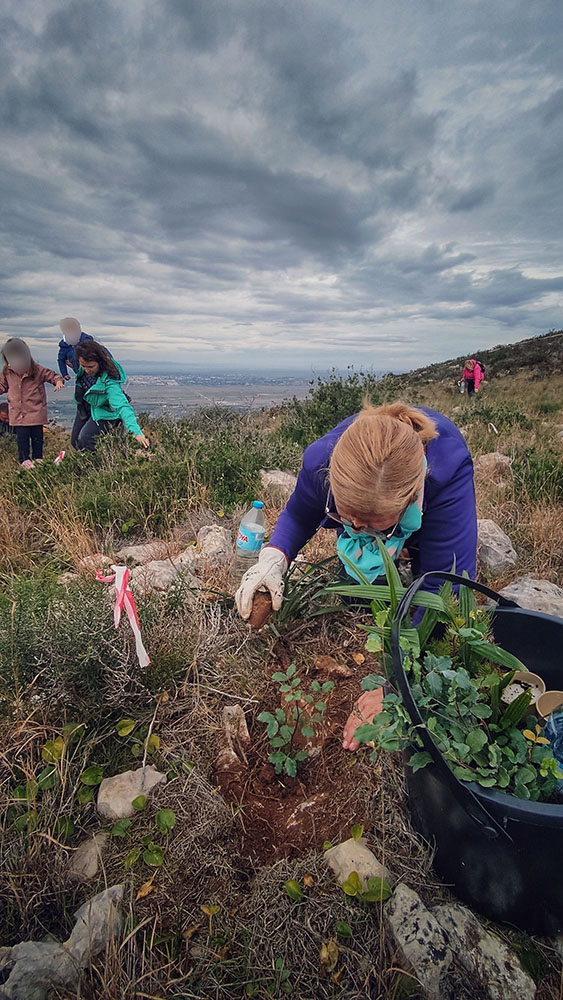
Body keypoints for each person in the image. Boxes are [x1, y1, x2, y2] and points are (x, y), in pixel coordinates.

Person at [235, 401, 477, 752]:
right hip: (372, 496)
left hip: (425, 508)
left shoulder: (447, 474)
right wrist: (273, 559)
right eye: (347, 519)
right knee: (361, 592)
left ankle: (402, 542)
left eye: (371, 523)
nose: (357, 529)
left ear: (409, 501)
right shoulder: (323, 460)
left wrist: (396, 686)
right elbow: (300, 513)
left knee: (425, 579)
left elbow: (446, 586)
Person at [71, 340, 149, 452]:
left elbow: (123, 406)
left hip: (106, 412)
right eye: (83, 366)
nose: (87, 370)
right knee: (75, 441)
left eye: (91, 366)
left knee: (86, 439)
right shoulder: (83, 365)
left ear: (99, 362)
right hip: (86, 407)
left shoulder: (110, 380)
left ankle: (101, 466)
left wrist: (136, 432)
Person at [0, 338, 64, 468]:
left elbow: (52, 375)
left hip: (36, 413)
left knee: (37, 439)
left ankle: (38, 459)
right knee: (22, 439)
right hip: (18, 414)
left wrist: (58, 382)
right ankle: (25, 462)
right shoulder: (7, 372)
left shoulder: (37, 370)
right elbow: (1, 385)